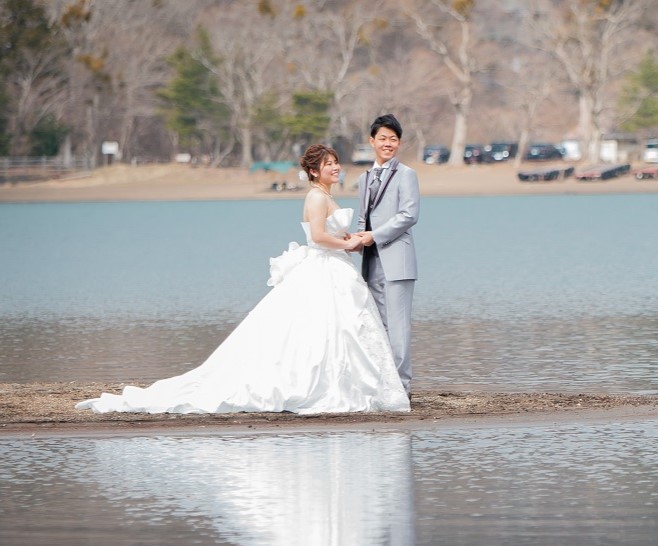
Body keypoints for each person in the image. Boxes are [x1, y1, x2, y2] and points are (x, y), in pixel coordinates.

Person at [75, 144, 410, 415]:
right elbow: (319, 237)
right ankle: (325, 386)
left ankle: (344, 383)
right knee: (320, 328)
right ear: (313, 171)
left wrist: (347, 239)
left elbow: (328, 234)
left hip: (334, 266)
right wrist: (348, 244)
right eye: (329, 164)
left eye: (336, 163)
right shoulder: (316, 196)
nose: (336, 168)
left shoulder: (326, 195)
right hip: (324, 266)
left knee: (338, 329)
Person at [356, 114, 420, 398]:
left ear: (399, 143)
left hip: (397, 261)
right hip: (370, 261)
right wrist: (358, 240)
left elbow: (409, 215)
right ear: (372, 141)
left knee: (398, 327)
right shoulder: (363, 178)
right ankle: (384, 385)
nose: (388, 143)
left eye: (393, 139)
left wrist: (375, 235)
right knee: (379, 326)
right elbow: (364, 218)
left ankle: (402, 388)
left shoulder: (406, 174)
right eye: (383, 138)